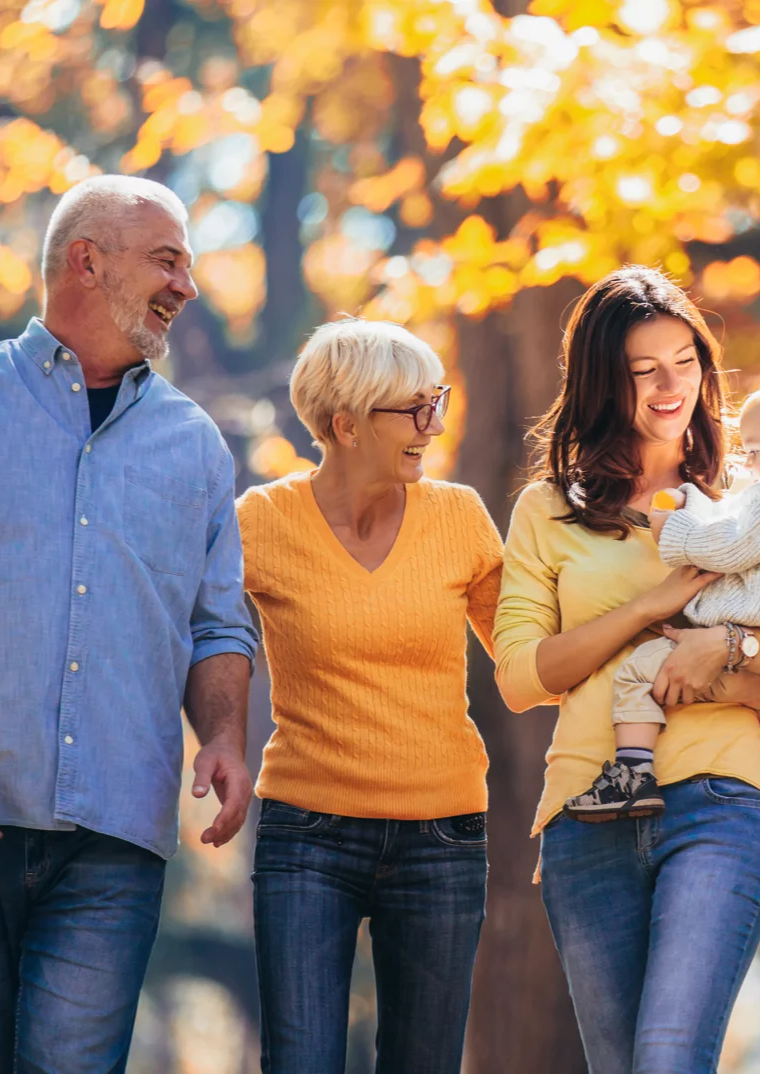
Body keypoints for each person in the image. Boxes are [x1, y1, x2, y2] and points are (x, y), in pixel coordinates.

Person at [0, 175, 258, 1071]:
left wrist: (221, 733)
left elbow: (218, 626)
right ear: (87, 260)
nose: (188, 286)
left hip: (113, 841)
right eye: (168, 261)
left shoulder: (196, 447)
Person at [494, 266, 760, 1072]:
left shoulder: (757, 490)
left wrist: (732, 649)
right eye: (643, 371)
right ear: (605, 384)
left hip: (717, 800)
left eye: (685, 361)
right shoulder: (548, 509)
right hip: (585, 813)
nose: (672, 387)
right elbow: (522, 677)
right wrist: (645, 608)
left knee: (668, 1058)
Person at [237, 319, 502, 1074]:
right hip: (308, 833)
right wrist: (215, 744)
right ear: (345, 424)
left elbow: (528, 658)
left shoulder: (460, 517)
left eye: (437, 400)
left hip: (443, 837)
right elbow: (201, 636)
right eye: (413, 409)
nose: (435, 423)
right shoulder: (262, 521)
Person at [565, 364, 760, 821]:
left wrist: (672, 528)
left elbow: (728, 546)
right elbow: (735, 519)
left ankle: (632, 773)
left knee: (636, 674)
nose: (748, 463)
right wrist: (694, 501)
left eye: (756, 450)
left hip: (748, 618)